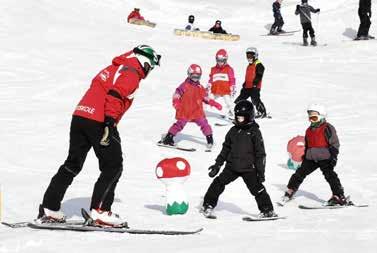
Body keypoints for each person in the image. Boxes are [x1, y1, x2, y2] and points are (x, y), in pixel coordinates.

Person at [38, 45, 161, 226]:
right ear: (146, 61)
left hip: (80, 115)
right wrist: (110, 122)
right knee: (113, 165)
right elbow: (116, 94)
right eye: (151, 66)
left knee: (72, 164)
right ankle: (100, 212)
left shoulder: (116, 66)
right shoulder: (132, 70)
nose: (150, 70)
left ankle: (50, 208)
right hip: (100, 119)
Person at [201, 100, 277, 218]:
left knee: (258, 190)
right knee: (218, 183)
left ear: (249, 117)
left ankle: (267, 210)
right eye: (237, 117)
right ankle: (208, 205)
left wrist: (260, 172)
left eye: (241, 118)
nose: (238, 120)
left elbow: (260, 154)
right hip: (232, 167)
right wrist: (217, 165)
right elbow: (225, 149)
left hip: (249, 169)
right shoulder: (233, 131)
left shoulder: (254, 132)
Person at [281, 104, 349, 206]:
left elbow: (335, 144)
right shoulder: (309, 130)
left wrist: (333, 157)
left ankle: (338, 196)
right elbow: (308, 145)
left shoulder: (328, 128)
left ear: (321, 116)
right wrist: (305, 156)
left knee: (330, 176)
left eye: (314, 117)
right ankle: (290, 190)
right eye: (310, 118)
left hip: (325, 158)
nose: (311, 120)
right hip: (311, 158)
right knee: (299, 173)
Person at [161, 64, 222, 150]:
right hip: (185, 111)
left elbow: (205, 98)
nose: (195, 78)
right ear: (189, 75)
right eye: (193, 76)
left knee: (205, 124)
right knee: (179, 125)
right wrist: (176, 103)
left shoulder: (200, 88)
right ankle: (168, 138)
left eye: (197, 76)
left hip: (197, 112)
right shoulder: (184, 85)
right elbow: (177, 94)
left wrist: (214, 103)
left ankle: (209, 139)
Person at [234, 47, 268, 119]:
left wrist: (256, 82)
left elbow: (259, 74)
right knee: (240, 99)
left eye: (250, 56)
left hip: (255, 87)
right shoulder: (249, 65)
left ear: (255, 55)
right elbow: (248, 76)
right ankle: (234, 111)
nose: (249, 58)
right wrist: (245, 83)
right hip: (247, 86)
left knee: (255, 99)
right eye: (247, 56)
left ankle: (262, 112)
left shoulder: (258, 64)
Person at [207, 49, 236, 119]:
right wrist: (209, 84)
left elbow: (232, 79)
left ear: (225, 60)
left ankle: (236, 116)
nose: (220, 62)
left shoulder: (229, 69)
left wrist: (232, 86)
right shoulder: (213, 69)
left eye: (222, 61)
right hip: (216, 90)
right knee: (207, 99)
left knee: (229, 103)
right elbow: (211, 78)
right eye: (218, 60)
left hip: (225, 90)